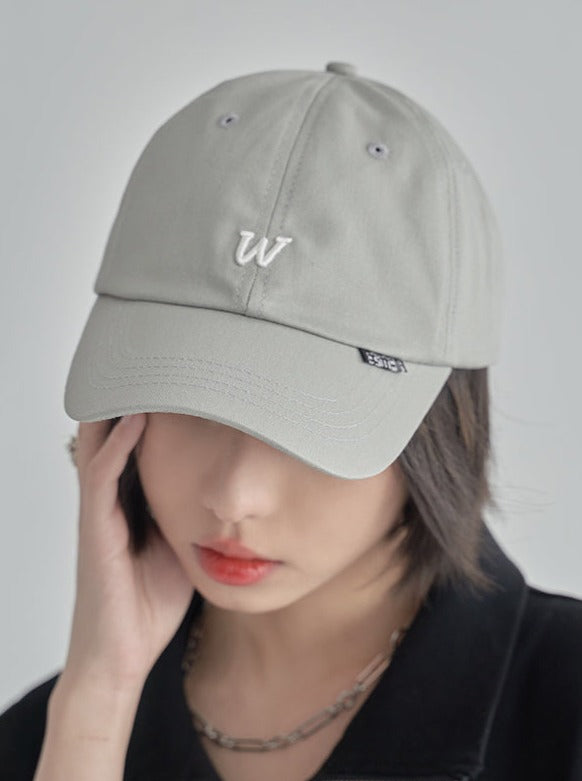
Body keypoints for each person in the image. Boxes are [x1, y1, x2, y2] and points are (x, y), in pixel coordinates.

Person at [1, 60, 581, 781]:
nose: (234, 497)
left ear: (437, 428)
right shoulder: (40, 742)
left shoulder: (562, 708)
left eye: (309, 424)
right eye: (192, 402)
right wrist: (96, 703)